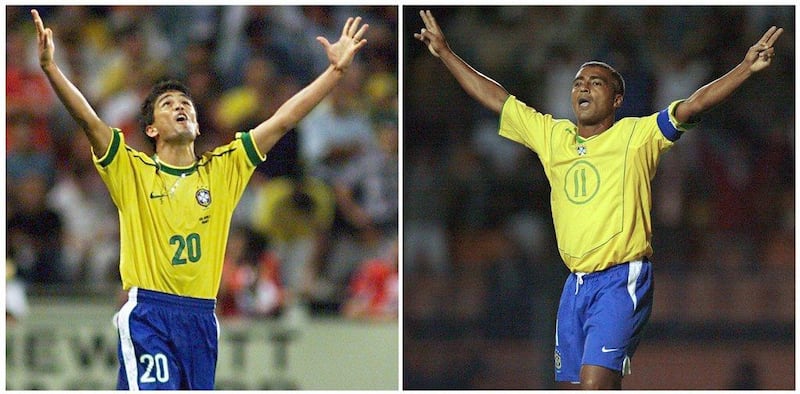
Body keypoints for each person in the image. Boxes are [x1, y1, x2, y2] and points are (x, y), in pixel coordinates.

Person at [414, 9, 782, 390]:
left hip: (621, 279)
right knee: (587, 388)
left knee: (594, 386)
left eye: (596, 82)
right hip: (574, 285)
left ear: (618, 98)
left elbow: (693, 104)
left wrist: (744, 68)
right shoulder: (552, 136)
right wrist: (445, 53)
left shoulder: (636, 137)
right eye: (578, 82)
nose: (584, 88)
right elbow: (498, 98)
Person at [32, 8, 368, 390]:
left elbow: (282, 120)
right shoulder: (133, 171)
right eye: (168, 103)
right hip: (150, 313)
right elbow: (90, 122)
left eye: (185, 103)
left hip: (203, 319)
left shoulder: (222, 170)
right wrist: (51, 69)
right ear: (152, 128)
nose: (180, 106)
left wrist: (335, 73)